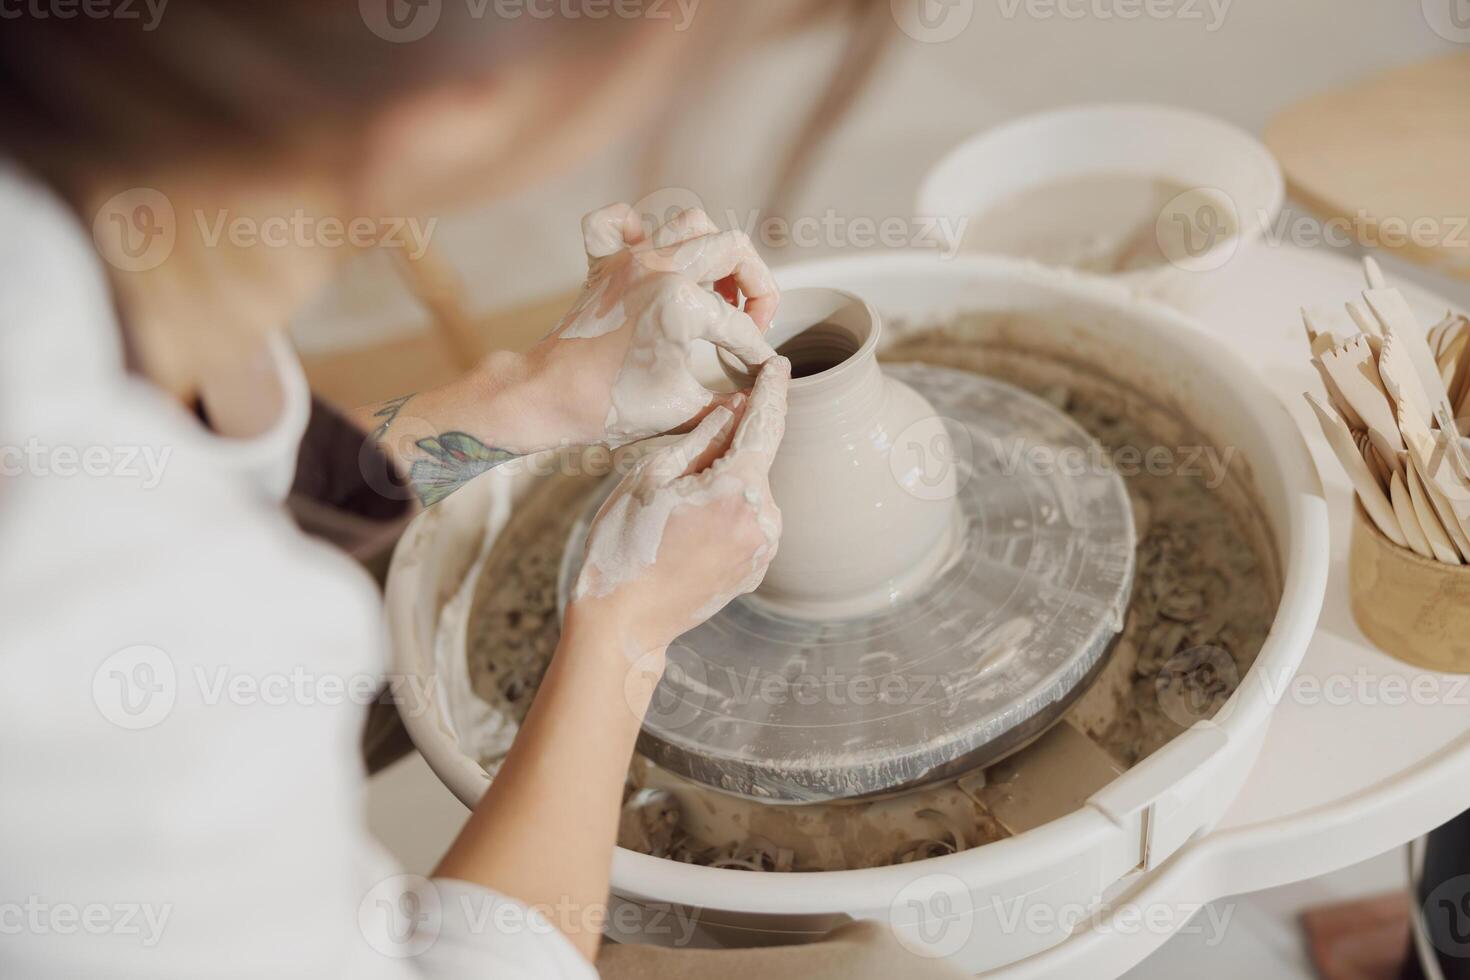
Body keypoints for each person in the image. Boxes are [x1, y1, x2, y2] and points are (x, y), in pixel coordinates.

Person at [0, 3, 972, 979]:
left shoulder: (75, 207)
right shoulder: (101, 642)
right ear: (465, 103)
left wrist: (533, 398)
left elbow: (236, 486)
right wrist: (623, 630)